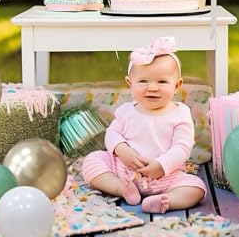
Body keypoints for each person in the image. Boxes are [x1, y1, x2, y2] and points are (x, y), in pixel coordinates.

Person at [82, 36, 206, 213]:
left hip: (165, 177)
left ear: (177, 85)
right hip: (124, 171)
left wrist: (161, 166)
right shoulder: (126, 111)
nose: (152, 88)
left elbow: (182, 147)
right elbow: (112, 133)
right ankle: (120, 188)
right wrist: (122, 150)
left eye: (162, 81)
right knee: (92, 160)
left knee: (196, 187)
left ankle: (165, 200)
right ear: (130, 84)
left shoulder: (180, 114)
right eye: (143, 81)